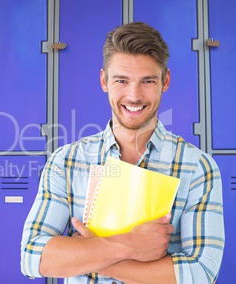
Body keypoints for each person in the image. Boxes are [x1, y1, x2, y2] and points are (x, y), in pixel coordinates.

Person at [20, 22, 225, 284]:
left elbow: (200, 273)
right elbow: (33, 257)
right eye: (122, 80)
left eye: (147, 81)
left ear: (166, 81)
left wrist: (91, 252)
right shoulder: (66, 161)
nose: (134, 95)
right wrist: (129, 245)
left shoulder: (198, 168)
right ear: (104, 81)